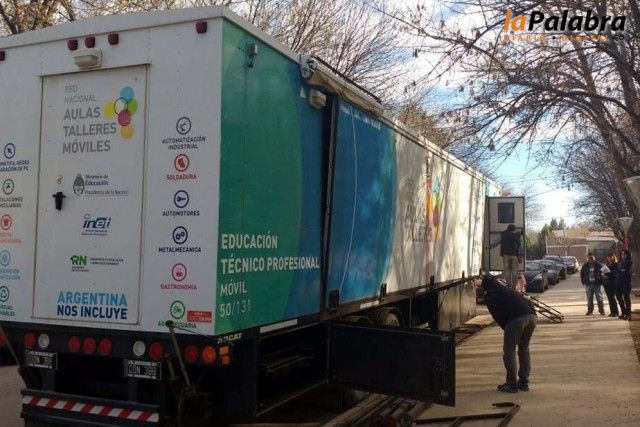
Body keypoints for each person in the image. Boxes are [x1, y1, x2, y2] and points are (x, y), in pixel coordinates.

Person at [480, 274, 537, 393]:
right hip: (532, 315)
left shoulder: (491, 296)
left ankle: (512, 384)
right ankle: (524, 382)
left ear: (485, 287)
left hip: (516, 318)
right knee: (524, 348)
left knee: (509, 351)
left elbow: (497, 316)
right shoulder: (505, 289)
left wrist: (508, 330)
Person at [489, 224, 524, 289]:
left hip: (506, 255)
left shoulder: (503, 234)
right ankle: (514, 286)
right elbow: (520, 246)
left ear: (507, 229)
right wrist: (520, 255)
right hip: (514, 256)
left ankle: (508, 285)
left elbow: (495, 242)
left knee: (507, 271)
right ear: (513, 229)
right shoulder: (517, 235)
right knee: (514, 272)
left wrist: (489, 247)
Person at [617, 249, 633, 320]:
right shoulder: (620, 262)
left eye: (624, 254)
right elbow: (618, 270)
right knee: (619, 297)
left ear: (627, 255)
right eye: (622, 254)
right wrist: (621, 270)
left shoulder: (629, 262)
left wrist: (621, 270)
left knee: (626, 298)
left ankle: (628, 314)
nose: (623, 255)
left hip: (626, 283)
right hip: (619, 283)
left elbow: (626, 271)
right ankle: (623, 312)